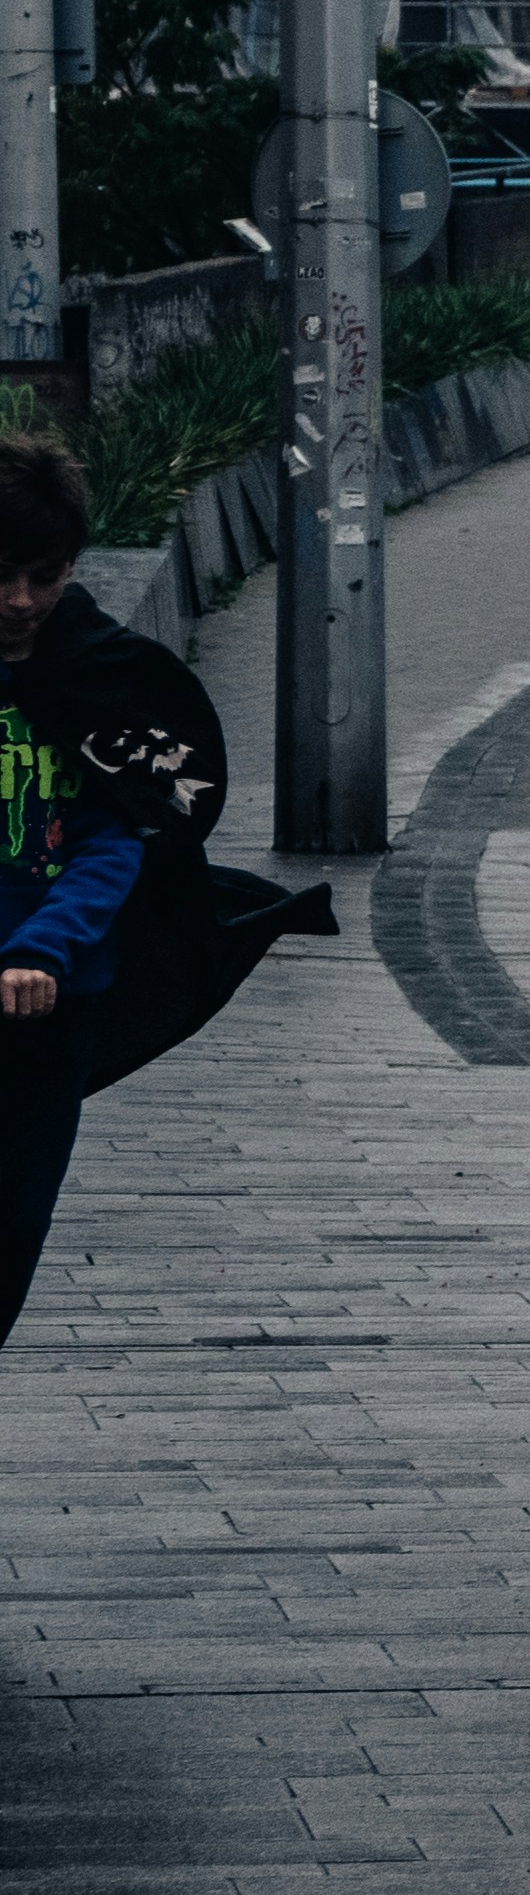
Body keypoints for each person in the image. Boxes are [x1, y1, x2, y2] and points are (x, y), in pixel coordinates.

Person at [0, 434, 237, 1347]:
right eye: (3, 574)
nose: (22, 602)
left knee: (16, 1220)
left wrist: (41, 946)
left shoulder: (105, 676)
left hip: (56, 996)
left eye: (45, 576)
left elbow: (121, 832)